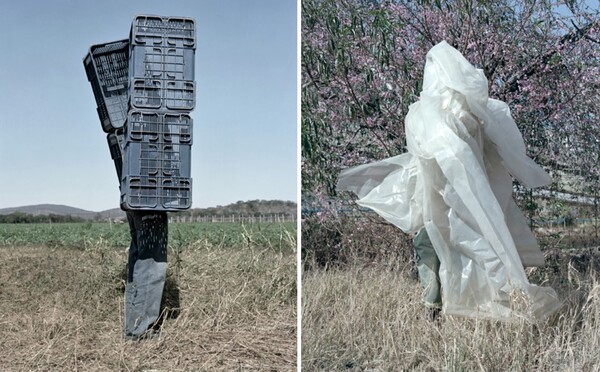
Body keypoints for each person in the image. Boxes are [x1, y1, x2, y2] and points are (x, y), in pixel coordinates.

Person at [338, 41, 561, 321]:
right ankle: (472, 303)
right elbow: (489, 155)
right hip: (457, 197)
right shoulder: (474, 113)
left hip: (439, 196)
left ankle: (442, 307)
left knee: (437, 247)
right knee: (468, 246)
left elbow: (432, 153)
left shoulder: (429, 114)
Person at [124, 211, 168, 340]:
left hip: (135, 204)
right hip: (149, 206)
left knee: (139, 263)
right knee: (151, 266)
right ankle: (140, 330)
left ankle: (133, 325)